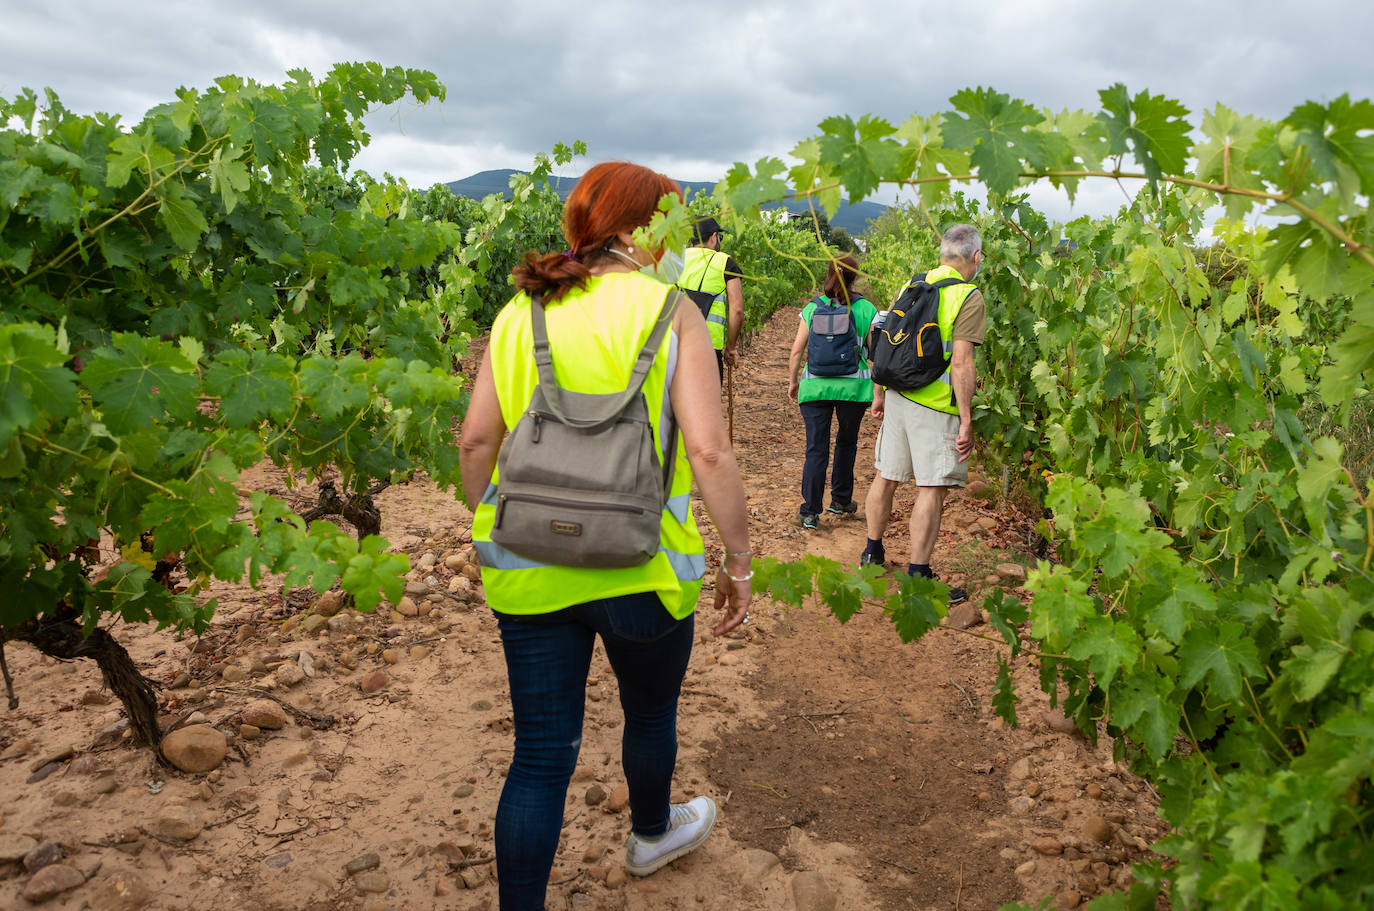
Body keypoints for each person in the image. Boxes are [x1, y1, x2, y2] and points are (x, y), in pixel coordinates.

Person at [458, 161, 754, 911]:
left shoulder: (519, 311)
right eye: (669, 224)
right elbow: (710, 452)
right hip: (643, 571)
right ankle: (652, 835)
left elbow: (474, 442)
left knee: (539, 758)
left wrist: (496, 522)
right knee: (650, 714)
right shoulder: (671, 311)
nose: (675, 240)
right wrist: (739, 561)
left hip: (528, 569)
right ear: (632, 230)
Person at [859, 224, 987, 604]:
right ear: (975, 258)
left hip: (899, 396)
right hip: (934, 405)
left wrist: (879, 392)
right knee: (931, 488)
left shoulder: (911, 285)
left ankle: (872, 552)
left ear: (943, 253)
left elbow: (884, 339)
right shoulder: (968, 296)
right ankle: (917, 576)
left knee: (886, 476)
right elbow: (962, 363)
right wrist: (966, 419)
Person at [786, 253, 877, 530]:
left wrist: (793, 381)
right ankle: (840, 500)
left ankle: (810, 511)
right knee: (847, 443)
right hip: (854, 389)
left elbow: (797, 350)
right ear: (854, 277)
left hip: (815, 387)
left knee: (816, 448)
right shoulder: (865, 309)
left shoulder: (812, 308)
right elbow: (875, 354)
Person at [677, 216, 745, 379]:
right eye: (720, 237)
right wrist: (731, 347)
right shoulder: (725, 262)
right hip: (708, 347)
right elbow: (737, 310)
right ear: (714, 237)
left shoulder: (676, 259)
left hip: (674, 345)